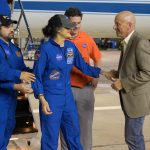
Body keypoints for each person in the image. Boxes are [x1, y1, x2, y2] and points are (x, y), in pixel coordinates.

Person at [32, 14, 103, 150]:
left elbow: (84, 66)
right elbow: (37, 76)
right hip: (51, 98)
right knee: (50, 139)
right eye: (69, 27)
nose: (72, 29)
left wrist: (103, 72)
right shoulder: (45, 49)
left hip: (67, 96)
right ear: (58, 29)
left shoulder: (70, 46)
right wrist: (42, 99)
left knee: (74, 135)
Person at [104, 11, 150, 150]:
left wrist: (123, 83)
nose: (114, 27)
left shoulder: (140, 42)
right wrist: (116, 73)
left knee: (132, 137)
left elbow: (148, 72)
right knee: (134, 136)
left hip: (137, 102)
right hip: (130, 100)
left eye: (118, 24)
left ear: (129, 25)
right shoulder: (127, 42)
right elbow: (133, 68)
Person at [60, 7, 101, 150]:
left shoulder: (87, 39)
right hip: (66, 91)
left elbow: (97, 58)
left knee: (85, 129)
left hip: (85, 90)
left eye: (79, 22)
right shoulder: (59, 39)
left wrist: (95, 79)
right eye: (73, 23)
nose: (76, 26)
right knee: (65, 127)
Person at [0, 14, 35, 150]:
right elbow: (1, 71)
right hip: (1, 97)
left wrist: (35, 71)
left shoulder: (15, 49)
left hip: (11, 98)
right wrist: (18, 77)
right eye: (7, 26)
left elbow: (22, 69)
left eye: (12, 26)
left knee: (8, 126)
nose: (11, 29)